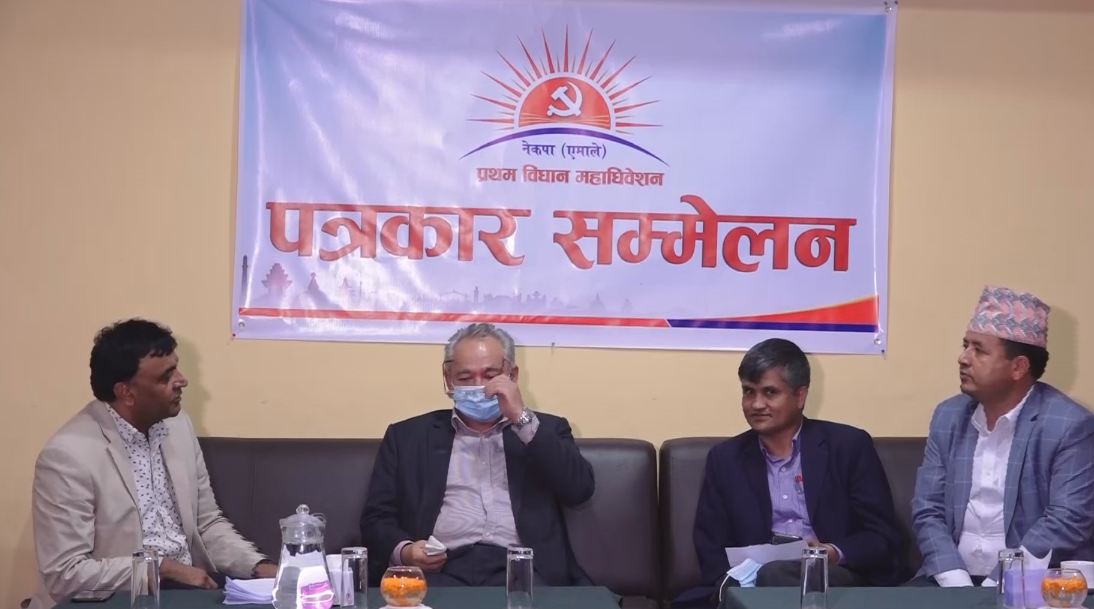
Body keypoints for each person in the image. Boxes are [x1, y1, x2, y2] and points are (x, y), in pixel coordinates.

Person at [29, 319, 276, 609]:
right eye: (166, 377)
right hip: (118, 600)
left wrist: (259, 567)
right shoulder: (68, 456)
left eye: (176, 368)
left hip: (187, 592)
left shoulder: (178, 427)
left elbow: (206, 523)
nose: (182, 380)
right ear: (126, 392)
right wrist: (160, 569)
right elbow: (65, 574)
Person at [360, 322, 594, 586]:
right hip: (439, 571)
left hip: (522, 570)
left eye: (490, 375)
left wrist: (520, 417)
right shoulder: (406, 437)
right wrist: (406, 552)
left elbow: (579, 490)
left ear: (512, 375)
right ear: (448, 378)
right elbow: (376, 518)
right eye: (465, 378)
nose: (479, 386)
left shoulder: (545, 429)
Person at [689, 338, 904, 604]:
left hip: (837, 577)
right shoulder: (725, 459)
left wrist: (832, 553)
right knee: (769, 575)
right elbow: (709, 546)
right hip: (752, 585)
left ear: (800, 396)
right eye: (748, 392)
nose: (756, 404)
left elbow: (882, 536)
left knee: (777, 575)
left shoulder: (848, 446)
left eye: (769, 392)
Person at [912, 286, 1094, 586]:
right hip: (949, 577)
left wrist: (997, 586)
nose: (963, 358)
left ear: (1018, 367)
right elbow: (927, 509)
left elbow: (1067, 520)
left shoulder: (1069, 425)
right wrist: (956, 583)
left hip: (1034, 582)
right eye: (965, 345)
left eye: (979, 350)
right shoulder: (948, 416)